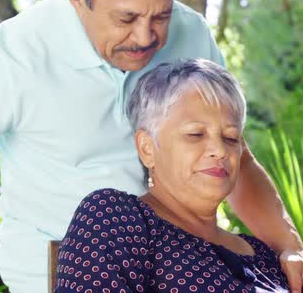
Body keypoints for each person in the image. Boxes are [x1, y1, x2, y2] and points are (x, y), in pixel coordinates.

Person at [0, 0, 303, 292]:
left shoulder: (192, 33)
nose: (146, 37)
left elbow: (229, 158)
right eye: (126, 19)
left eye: (160, 16)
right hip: (58, 276)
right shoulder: (18, 55)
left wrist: (288, 244)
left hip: (179, 266)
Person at [55, 59, 289, 293]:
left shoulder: (262, 255)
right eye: (195, 134)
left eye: (231, 138)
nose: (219, 150)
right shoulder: (116, 218)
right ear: (147, 148)